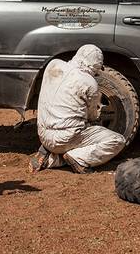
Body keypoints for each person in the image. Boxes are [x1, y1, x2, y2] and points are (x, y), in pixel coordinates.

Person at [30, 44, 126, 174]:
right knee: (117, 141)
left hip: (43, 134)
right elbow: (92, 116)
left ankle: (50, 158)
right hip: (66, 138)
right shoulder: (89, 83)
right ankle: (78, 158)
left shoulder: (53, 64)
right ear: (96, 66)